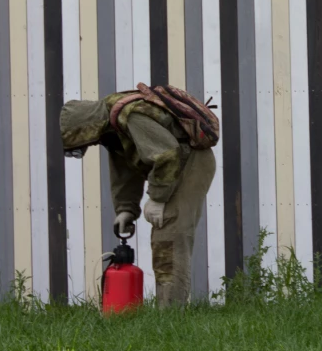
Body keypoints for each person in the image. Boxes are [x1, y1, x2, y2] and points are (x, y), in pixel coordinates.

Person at [60, 87, 216, 307]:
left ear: (84, 126)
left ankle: (171, 317)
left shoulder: (129, 115)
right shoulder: (112, 128)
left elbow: (167, 154)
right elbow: (124, 169)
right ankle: (167, 312)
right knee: (165, 238)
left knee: (169, 237)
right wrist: (126, 209)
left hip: (189, 164)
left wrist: (157, 198)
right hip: (174, 167)